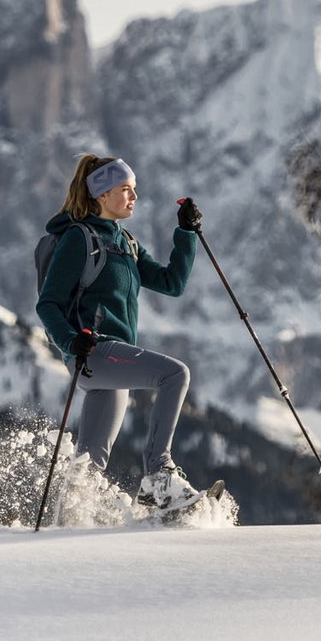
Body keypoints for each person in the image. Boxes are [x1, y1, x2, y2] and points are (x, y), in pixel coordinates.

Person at [36, 153, 204, 510]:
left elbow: (171, 283)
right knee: (175, 374)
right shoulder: (77, 239)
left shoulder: (126, 242)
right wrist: (70, 341)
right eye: (125, 189)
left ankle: (71, 517)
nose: (134, 197)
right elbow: (47, 304)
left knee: (88, 466)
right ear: (101, 194)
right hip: (94, 352)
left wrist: (186, 233)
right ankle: (159, 475)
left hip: (112, 360)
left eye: (134, 189)